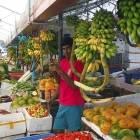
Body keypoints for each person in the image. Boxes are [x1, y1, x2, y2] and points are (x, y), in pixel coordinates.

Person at [48, 37, 85, 134]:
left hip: (74, 103)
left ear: (74, 48)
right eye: (64, 49)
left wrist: (60, 71)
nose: (66, 51)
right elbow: (60, 82)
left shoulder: (79, 64)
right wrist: (54, 72)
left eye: (68, 48)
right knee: (57, 129)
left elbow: (74, 86)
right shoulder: (63, 62)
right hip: (63, 102)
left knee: (75, 132)